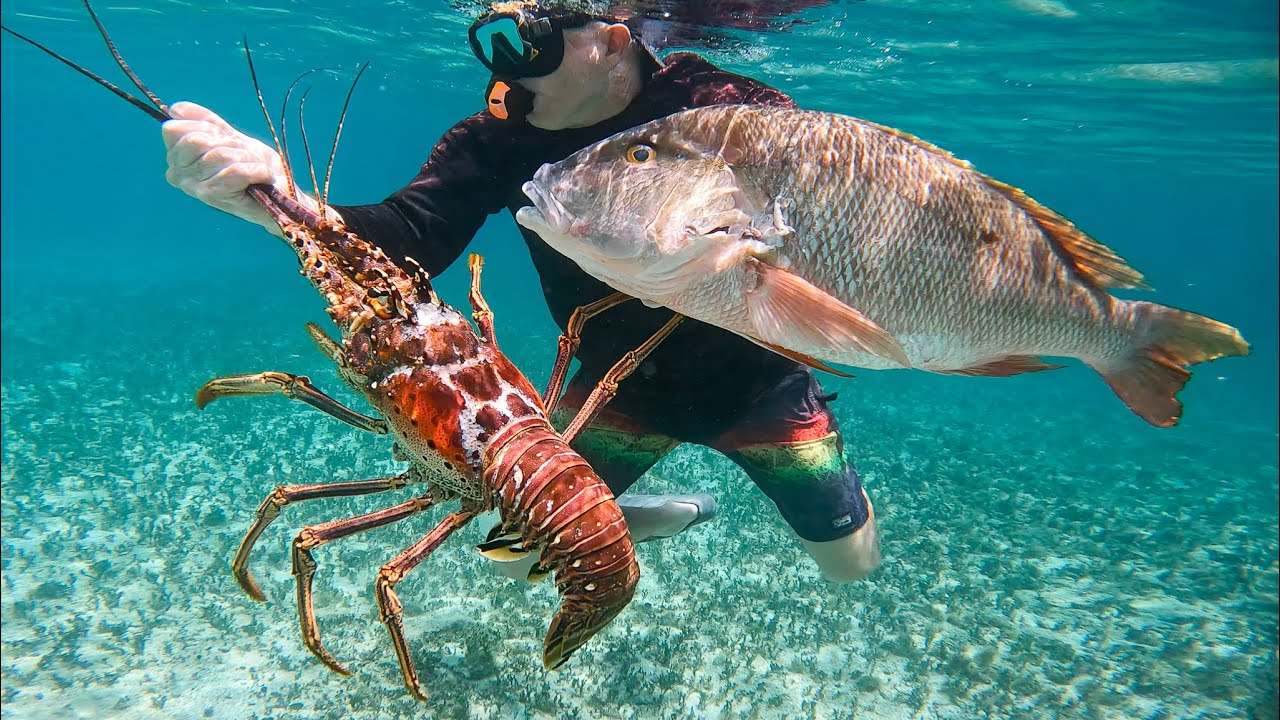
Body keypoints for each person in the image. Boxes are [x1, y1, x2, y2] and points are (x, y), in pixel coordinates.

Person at [161, 0, 880, 583]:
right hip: (612, 387)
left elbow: (830, 215)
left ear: (608, 39)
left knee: (852, 566)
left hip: (758, 384)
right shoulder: (500, 137)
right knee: (515, 560)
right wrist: (278, 200)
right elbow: (411, 233)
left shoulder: (722, 110)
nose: (505, 73)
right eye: (491, 41)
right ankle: (659, 515)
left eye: (527, 41)